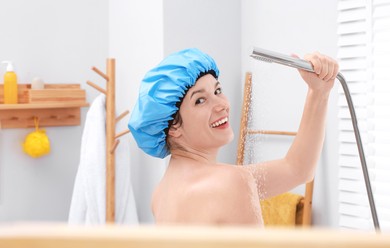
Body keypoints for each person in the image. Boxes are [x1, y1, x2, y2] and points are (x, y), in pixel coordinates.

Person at [128, 48, 338, 226]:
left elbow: (297, 169)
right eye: (200, 100)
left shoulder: (162, 193)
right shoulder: (232, 182)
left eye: (217, 90)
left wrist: (319, 93)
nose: (221, 104)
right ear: (173, 127)